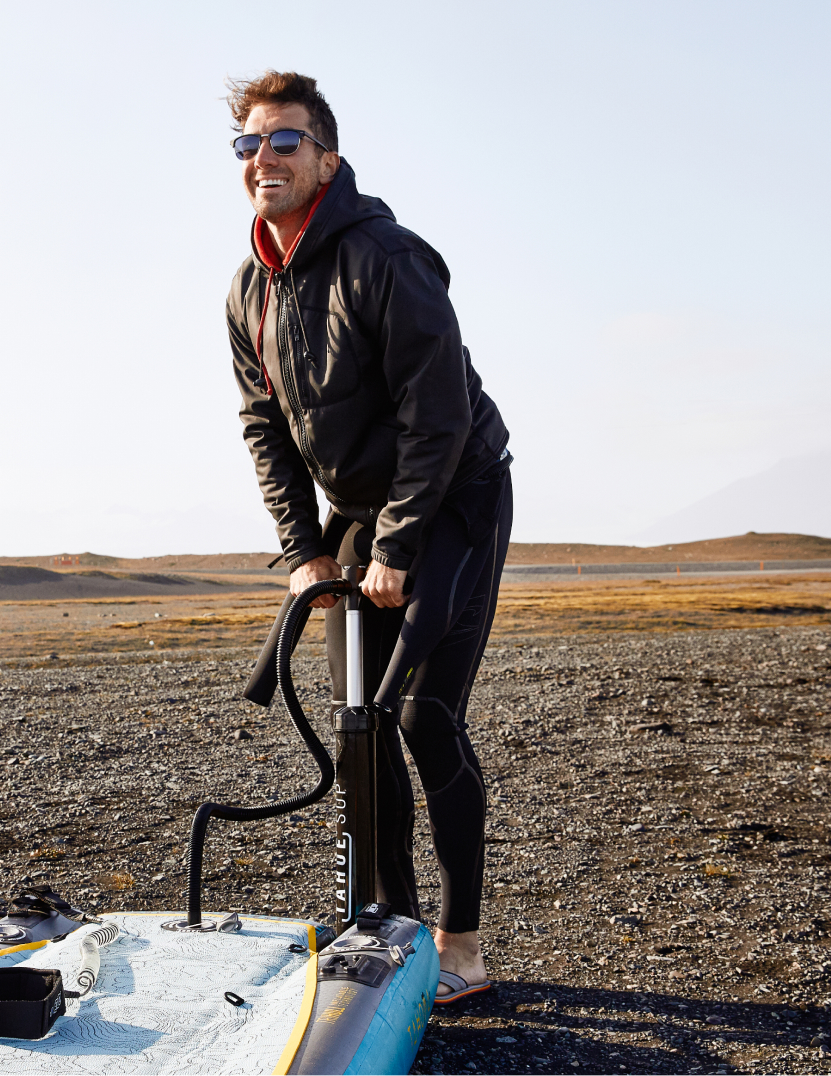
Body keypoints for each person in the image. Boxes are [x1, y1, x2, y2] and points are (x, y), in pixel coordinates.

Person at [224, 70, 513, 1003]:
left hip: (456, 491)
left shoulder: (388, 257)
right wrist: (307, 551)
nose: (263, 158)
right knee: (361, 731)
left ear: (327, 159)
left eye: (284, 142)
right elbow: (265, 427)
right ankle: (393, 928)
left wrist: (394, 552)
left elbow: (439, 418)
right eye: (248, 145)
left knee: (424, 716)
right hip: (358, 511)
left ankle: (460, 946)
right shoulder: (248, 290)